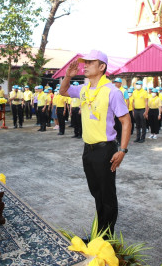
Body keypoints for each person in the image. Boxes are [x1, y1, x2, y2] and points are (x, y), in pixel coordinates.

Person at [59, 50, 131, 237]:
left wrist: (122, 150)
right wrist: (68, 75)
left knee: (107, 196)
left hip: (105, 150)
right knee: (97, 193)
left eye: (91, 62)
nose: (86, 65)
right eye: (86, 62)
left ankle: (106, 240)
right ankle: (99, 235)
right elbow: (63, 91)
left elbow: (126, 121)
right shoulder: (84, 89)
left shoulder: (112, 92)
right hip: (88, 150)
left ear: (102, 67)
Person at [113, 78, 129, 144]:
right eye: (115, 82)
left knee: (121, 126)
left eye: (117, 82)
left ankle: (121, 140)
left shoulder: (124, 90)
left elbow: (127, 100)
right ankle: (117, 139)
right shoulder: (113, 90)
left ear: (120, 83)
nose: (116, 84)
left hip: (121, 111)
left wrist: (126, 110)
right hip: (115, 111)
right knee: (116, 126)